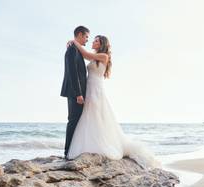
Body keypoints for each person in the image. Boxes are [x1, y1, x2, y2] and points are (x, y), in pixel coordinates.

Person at [66, 34, 160, 168]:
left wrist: (74, 41)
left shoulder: (104, 56)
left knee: (97, 115)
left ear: (102, 43)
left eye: (96, 41)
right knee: (90, 115)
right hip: (89, 87)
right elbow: (86, 55)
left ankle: (100, 145)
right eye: (93, 40)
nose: (93, 42)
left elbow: (86, 53)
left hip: (96, 89)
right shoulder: (95, 56)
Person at [60, 26, 89, 159]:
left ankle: (74, 150)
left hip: (78, 92)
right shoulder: (72, 50)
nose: (87, 40)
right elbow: (73, 73)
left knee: (77, 120)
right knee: (73, 121)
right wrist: (78, 93)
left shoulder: (76, 49)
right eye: (86, 37)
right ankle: (68, 152)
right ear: (79, 34)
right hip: (74, 92)